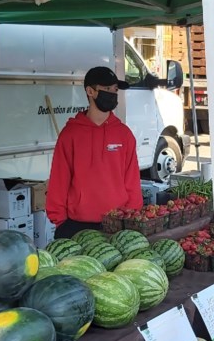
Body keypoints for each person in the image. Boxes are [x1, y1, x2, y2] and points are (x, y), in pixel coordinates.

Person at [46, 66, 143, 238]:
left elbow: (132, 181)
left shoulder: (124, 134)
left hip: (117, 224)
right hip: (76, 225)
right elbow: (59, 179)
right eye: (107, 89)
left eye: (115, 89)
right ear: (90, 91)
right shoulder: (70, 134)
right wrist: (60, 221)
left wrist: (131, 218)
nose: (113, 94)